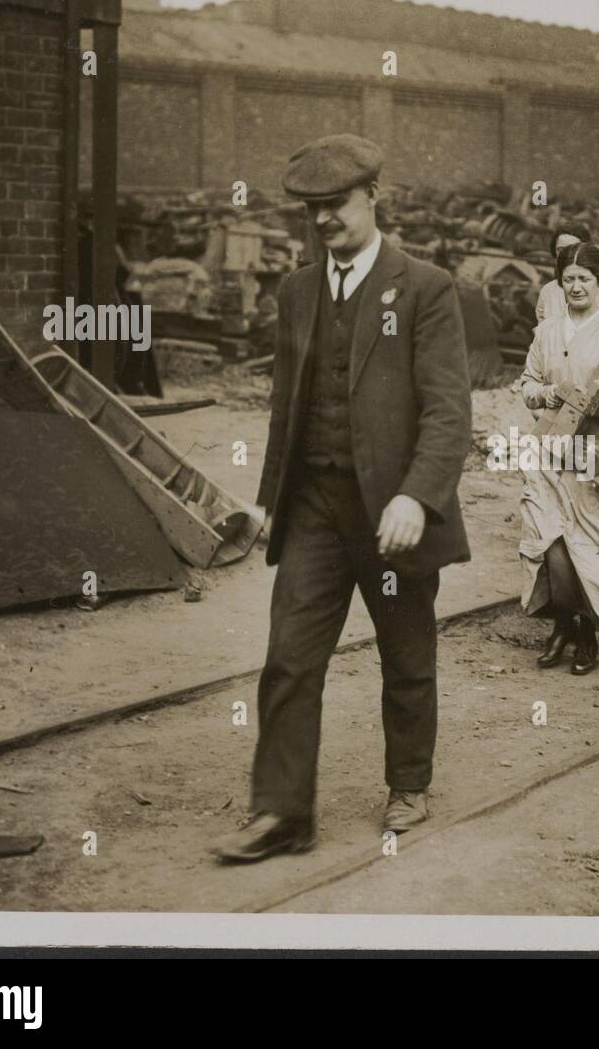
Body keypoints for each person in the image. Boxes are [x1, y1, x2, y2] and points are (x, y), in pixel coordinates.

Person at [213, 134, 472, 862]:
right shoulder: (297, 291)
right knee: (290, 657)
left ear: (373, 199)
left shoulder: (424, 288)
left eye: (336, 205)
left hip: (391, 512)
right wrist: (267, 500)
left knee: (406, 652)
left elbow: (449, 410)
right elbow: (285, 405)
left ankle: (409, 783)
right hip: (315, 509)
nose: (323, 220)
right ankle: (283, 814)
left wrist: (418, 496)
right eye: (311, 209)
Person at [519, 242, 599, 675]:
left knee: (589, 544)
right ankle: (560, 626)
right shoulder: (547, 332)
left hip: (596, 452)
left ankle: (587, 633)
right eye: (568, 279)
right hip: (550, 449)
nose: (575, 286)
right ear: (559, 283)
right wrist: (547, 393)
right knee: (551, 539)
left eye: (584, 279)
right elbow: (528, 382)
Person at [534, 223, 599, 324]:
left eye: (573, 248)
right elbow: (541, 334)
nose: (566, 255)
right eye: (560, 250)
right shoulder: (548, 292)